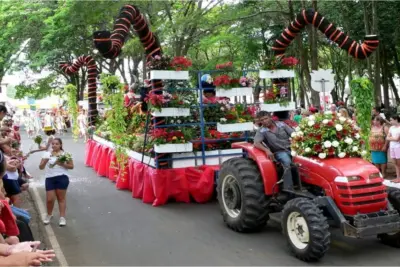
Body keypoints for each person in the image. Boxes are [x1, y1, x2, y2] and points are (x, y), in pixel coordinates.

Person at [254, 111, 295, 190]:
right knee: (287, 162)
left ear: (270, 117)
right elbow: (256, 143)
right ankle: (288, 188)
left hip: (291, 148)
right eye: (262, 120)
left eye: (266, 118)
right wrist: (266, 150)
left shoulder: (281, 124)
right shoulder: (261, 131)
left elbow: (293, 134)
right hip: (279, 152)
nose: (264, 121)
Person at [39, 138, 74, 226]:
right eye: (53, 144)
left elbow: (71, 166)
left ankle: (62, 217)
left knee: (61, 198)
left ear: (60, 145)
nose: (54, 145)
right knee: (50, 199)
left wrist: (62, 164)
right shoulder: (46, 154)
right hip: (50, 178)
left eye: (57, 144)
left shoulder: (65, 154)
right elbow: (41, 167)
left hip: (62, 177)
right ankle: (49, 215)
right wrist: (45, 161)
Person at [387, 115, 400, 180]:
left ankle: (399, 177)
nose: (390, 121)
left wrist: (391, 138)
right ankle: (398, 177)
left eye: (391, 120)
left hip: (398, 147)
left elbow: (397, 139)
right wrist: (393, 138)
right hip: (392, 147)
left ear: (396, 120)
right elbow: (387, 137)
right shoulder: (391, 128)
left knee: (398, 163)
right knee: (395, 163)